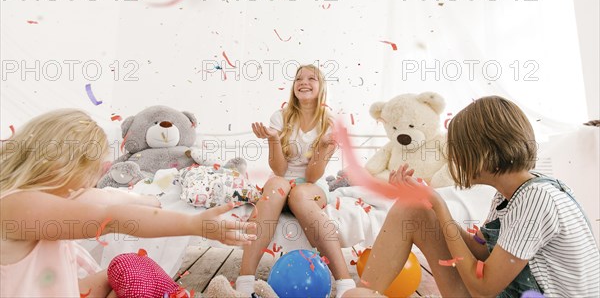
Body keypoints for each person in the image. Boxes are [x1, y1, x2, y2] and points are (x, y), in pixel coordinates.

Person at [344, 96, 599, 297]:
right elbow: (481, 251)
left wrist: (440, 208)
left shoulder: (536, 200)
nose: (454, 160)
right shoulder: (510, 194)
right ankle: (367, 290)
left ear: (484, 153)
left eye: (458, 151)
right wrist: (428, 203)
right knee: (412, 211)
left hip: (498, 291)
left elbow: (483, 288)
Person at [0, 109, 256, 298]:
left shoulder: (44, 200)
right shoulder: (16, 207)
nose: (95, 178)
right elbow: (111, 218)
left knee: (132, 266)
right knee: (131, 271)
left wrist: (146, 200)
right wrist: (193, 224)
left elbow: (107, 200)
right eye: (91, 169)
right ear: (62, 165)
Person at [235, 64, 356, 297]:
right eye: (299, 78)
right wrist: (272, 139)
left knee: (299, 193)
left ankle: (345, 284)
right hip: (281, 180)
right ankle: (245, 281)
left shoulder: (329, 123)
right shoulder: (280, 117)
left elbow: (312, 176)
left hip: (311, 186)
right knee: (277, 186)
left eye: (312, 78)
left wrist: (321, 146)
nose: (304, 82)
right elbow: (279, 170)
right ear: (293, 87)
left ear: (322, 87)